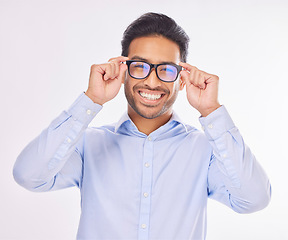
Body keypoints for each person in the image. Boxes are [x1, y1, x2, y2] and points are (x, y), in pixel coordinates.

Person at [13, 12, 271, 240]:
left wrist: (211, 111)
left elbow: (254, 199)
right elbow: (29, 175)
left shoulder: (205, 150)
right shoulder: (89, 143)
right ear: (123, 72)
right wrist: (91, 99)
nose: (151, 81)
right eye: (140, 67)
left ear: (182, 80)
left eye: (166, 70)